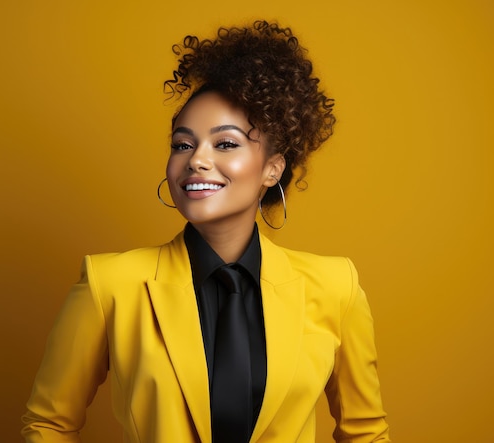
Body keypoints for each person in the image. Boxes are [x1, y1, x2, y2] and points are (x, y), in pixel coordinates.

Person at [21, 20, 390, 443]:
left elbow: (366, 433)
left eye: (226, 143)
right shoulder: (110, 285)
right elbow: (49, 426)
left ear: (273, 168)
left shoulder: (335, 288)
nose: (196, 160)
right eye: (183, 144)